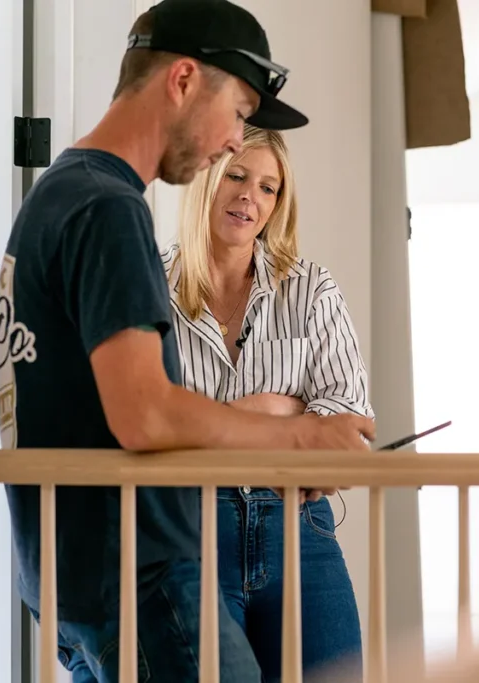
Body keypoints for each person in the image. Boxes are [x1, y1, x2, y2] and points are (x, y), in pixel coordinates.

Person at [0, 1, 375, 681]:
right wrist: (301, 433)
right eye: (237, 110)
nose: (232, 141)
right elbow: (145, 412)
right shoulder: (108, 208)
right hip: (139, 578)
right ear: (184, 80)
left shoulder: (60, 193)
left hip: (73, 576)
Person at [163, 124, 372, 681]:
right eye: (236, 176)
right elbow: (144, 420)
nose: (249, 197)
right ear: (206, 180)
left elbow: (350, 415)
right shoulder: (150, 287)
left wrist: (222, 421)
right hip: (189, 526)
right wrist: (280, 412)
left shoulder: (310, 288)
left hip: (297, 523)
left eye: (267, 187)